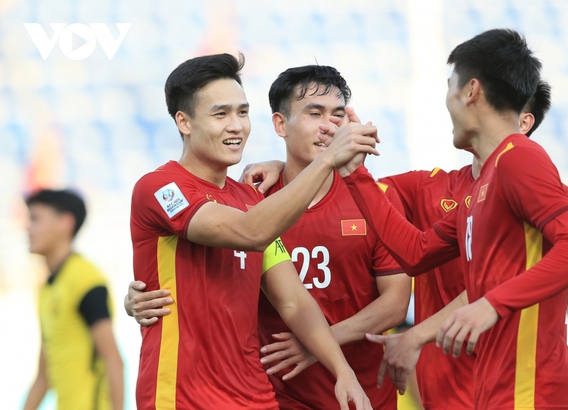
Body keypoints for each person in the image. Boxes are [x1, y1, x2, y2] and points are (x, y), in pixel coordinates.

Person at [238, 80, 552, 410]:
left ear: (523, 123)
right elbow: (356, 188)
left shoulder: (530, 197)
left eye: (481, 105)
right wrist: (286, 168)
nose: (461, 108)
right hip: (440, 389)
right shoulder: (428, 188)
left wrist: (319, 343)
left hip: (518, 383)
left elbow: (487, 285)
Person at [331, 28, 568, 410]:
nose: (447, 101)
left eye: (449, 87)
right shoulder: (477, 189)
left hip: (531, 392)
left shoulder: (520, 158)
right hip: (493, 391)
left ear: (471, 91)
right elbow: (416, 252)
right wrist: (355, 174)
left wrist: (490, 304)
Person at [127, 64, 411, 409]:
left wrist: (342, 371)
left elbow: (293, 300)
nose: (236, 125)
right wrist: (326, 160)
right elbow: (252, 232)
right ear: (184, 122)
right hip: (184, 396)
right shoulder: (159, 187)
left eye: (243, 112)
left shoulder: (250, 198)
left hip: (256, 397)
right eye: (221, 114)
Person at [23, 189, 124, 410]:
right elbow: (44, 375)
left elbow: (113, 361)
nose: (27, 228)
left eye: (35, 219)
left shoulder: (85, 280)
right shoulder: (47, 289)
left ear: (65, 223)